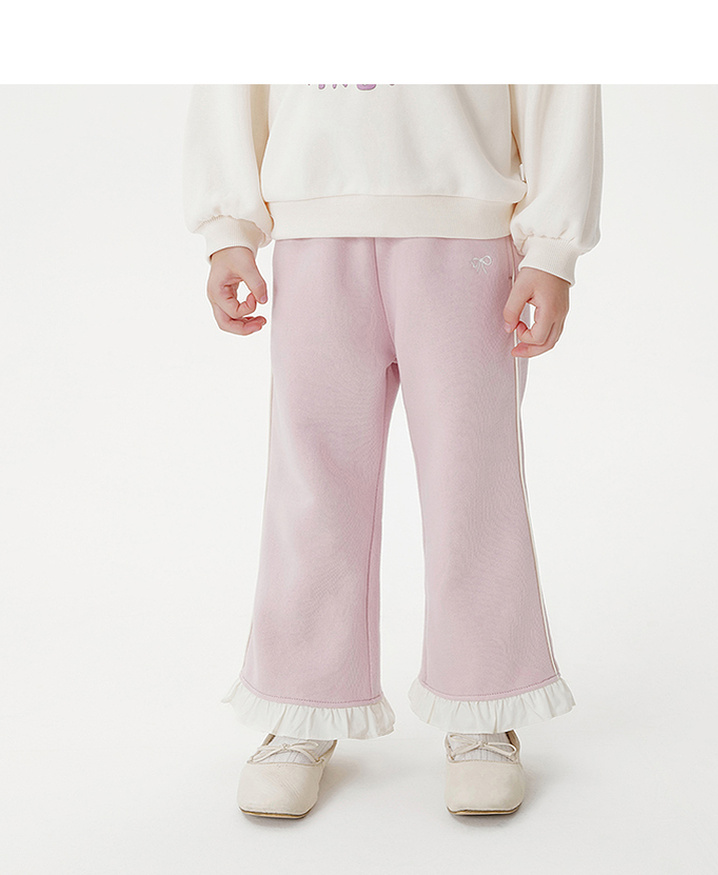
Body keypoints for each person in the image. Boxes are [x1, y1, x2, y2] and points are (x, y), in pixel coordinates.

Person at [182, 83, 603, 818]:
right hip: (317, 226)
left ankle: (482, 702)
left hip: (466, 232)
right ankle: (302, 700)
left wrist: (553, 248)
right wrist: (228, 227)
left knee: (473, 482)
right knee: (312, 482)